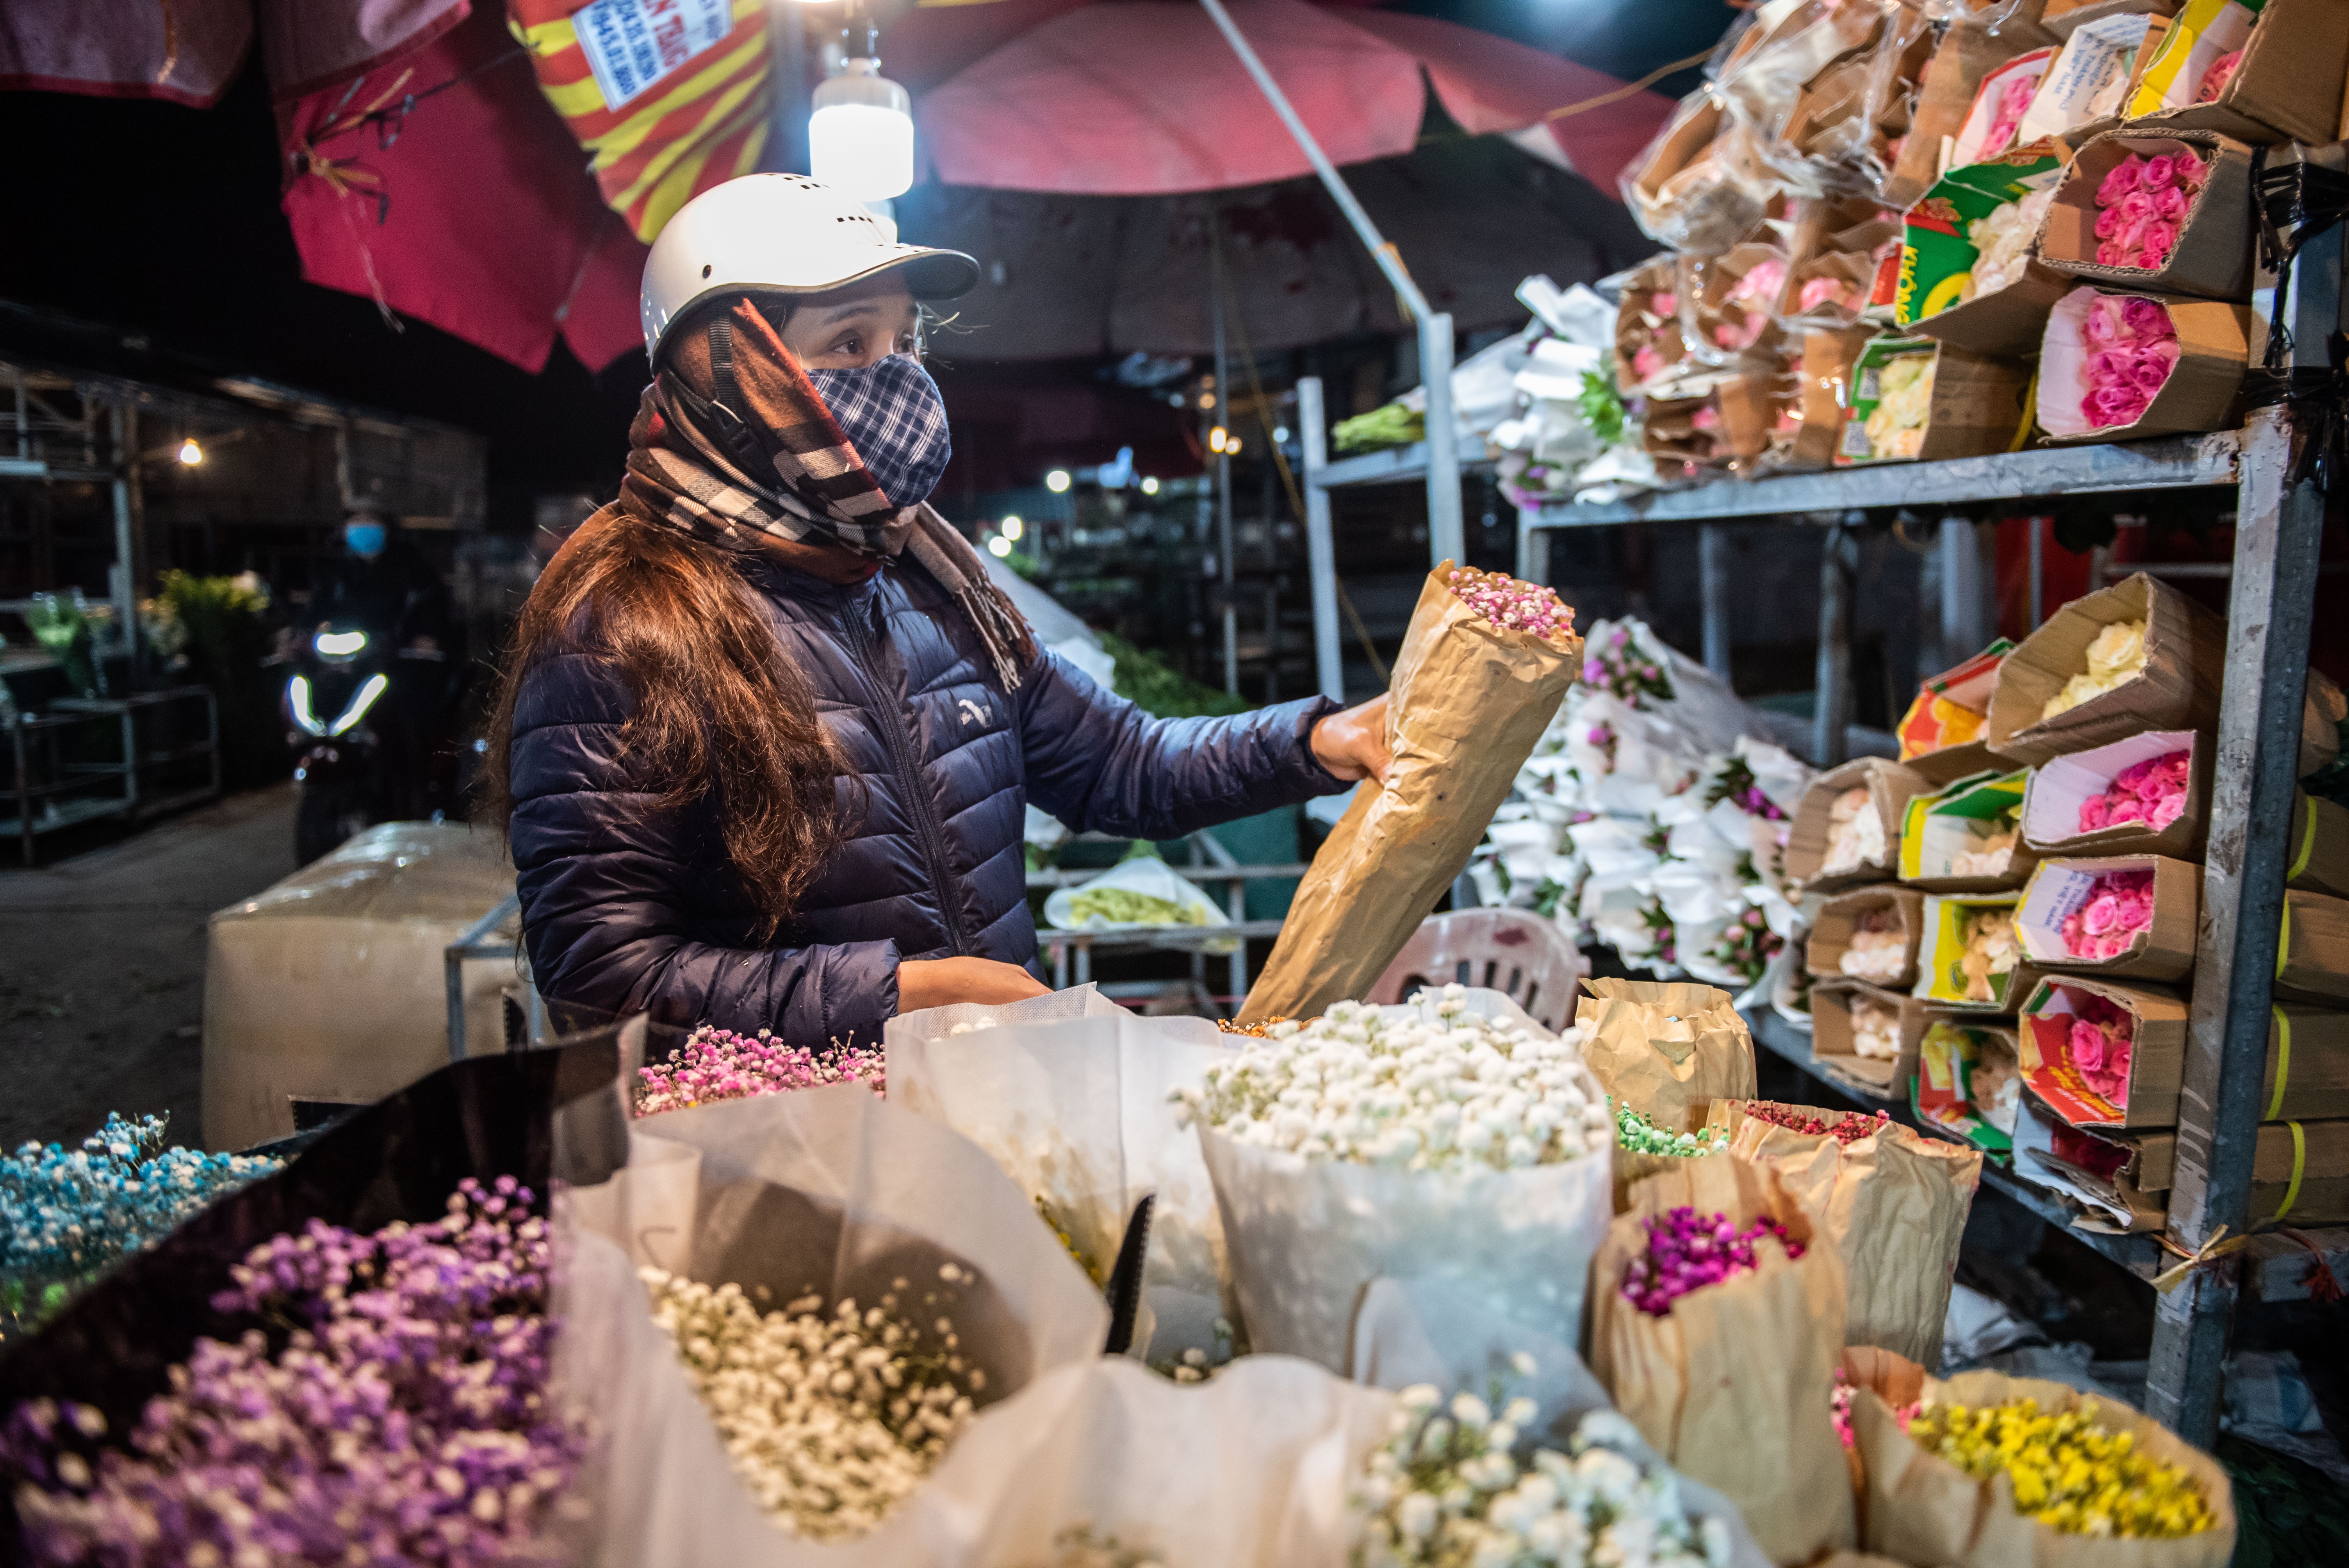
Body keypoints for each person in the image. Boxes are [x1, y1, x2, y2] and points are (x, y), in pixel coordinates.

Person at [484, 174, 1388, 1046]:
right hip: (794, 1153)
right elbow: (604, 981)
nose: (894, 378)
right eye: (847, 343)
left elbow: (1118, 764)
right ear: (727, 371)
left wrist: (1314, 741)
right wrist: (907, 993)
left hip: (985, 1099)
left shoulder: (927, 578)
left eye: (903, 344)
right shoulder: (623, 623)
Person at [309, 501, 456, 819]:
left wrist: (424, 637)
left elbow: (432, 611)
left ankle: (418, 794)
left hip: (396, 669)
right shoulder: (335, 575)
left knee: (410, 718)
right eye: (356, 522)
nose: (363, 529)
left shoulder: (414, 572)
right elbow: (313, 615)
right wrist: (297, 636)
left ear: (388, 530)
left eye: (371, 521)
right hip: (346, 672)